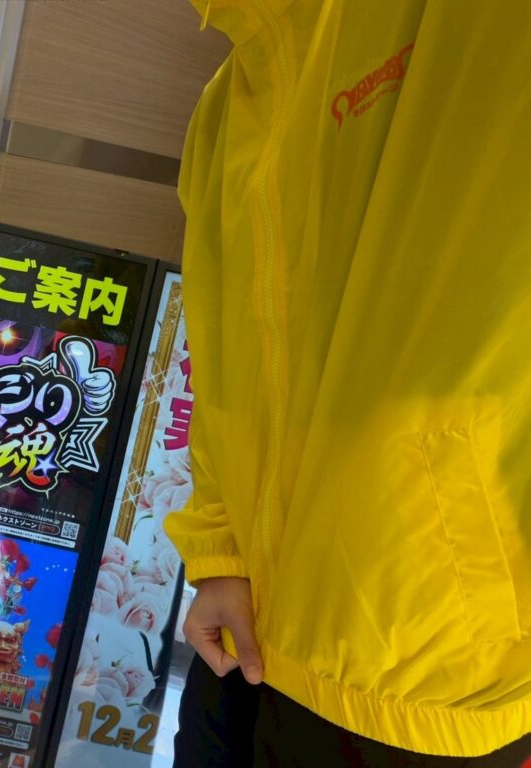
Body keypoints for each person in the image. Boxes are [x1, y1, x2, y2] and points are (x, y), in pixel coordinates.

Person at [164, 1, 531, 765]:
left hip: (430, 671)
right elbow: (225, 357)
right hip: (251, 623)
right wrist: (219, 547)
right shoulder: (234, 90)